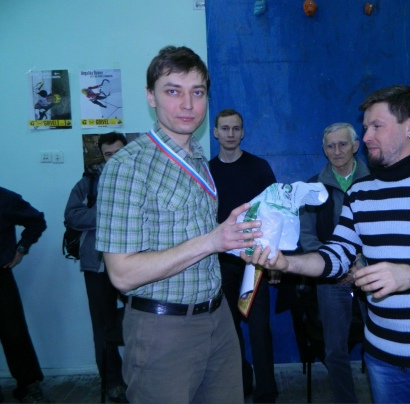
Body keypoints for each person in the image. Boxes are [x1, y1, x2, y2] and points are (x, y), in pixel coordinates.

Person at [242, 85, 410, 404]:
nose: (367, 136)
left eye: (376, 126)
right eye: (365, 127)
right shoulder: (361, 192)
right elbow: (336, 256)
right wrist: (287, 263)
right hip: (382, 362)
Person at [95, 45, 262, 404]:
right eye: (173, 91)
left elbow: (197, 237)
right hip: (163, 329)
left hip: (218, 318)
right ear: (150, 97)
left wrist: (239, 241)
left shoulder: (199, 157)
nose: (187, 104)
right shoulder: (127, 166)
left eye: (197, 93)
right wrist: (213, 241)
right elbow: (122, 274)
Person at [209, 109, 278, 404]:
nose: (230, 134)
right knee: (229, 330)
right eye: (225, 128)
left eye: (236, 128)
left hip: (255, 261)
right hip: (221, 263)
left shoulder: (259, 168)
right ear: (215, 132)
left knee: (259, 329)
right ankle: (240, 384)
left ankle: (266, 393)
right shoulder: (206, 172)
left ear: (243, 132)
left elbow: (275, 215)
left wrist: (273, 261)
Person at [299, 122, 369, 404]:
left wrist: (363, 265)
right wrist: (335, 267)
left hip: (373, 275)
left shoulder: (377, 181)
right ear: (324, 150)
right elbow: (306, 236)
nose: (337, 151)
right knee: (335, 351)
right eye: (331, 146)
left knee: (381, 344)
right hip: (331, 279)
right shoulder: (312, 188)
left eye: (343, 144)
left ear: (356, 146)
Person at [64, 132, 128, 404]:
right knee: (102, 327)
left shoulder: (143, 178)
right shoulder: (88, 183)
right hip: (97, 267)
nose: (113, 158)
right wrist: (105, 212)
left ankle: (144, 374)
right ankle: (113, 383)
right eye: (108, 154)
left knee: (145, 321)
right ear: (102, 155)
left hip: (137, 265)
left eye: (118, 152)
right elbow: (72, 216)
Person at [0, 187, 50, 404]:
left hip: (0, 279)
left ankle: (28, 386)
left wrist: (21, 248)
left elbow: (36, 221)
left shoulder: (4, 198)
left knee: (14, 332)